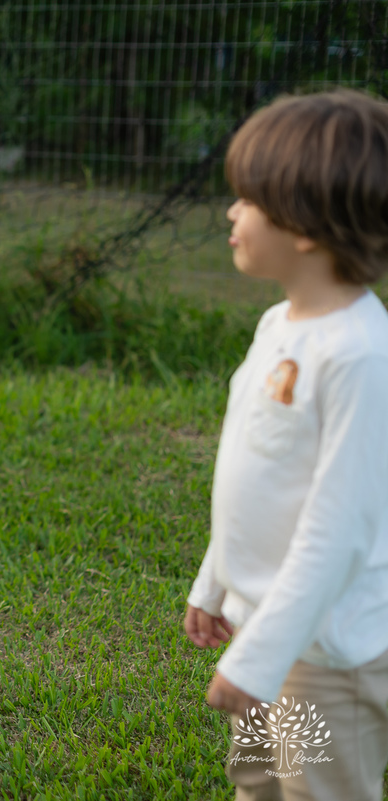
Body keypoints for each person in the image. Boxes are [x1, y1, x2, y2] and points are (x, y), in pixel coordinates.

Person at [184, 89, 388, 800]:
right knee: (258, 779)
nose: (231, 213)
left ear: (305, 226)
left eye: (248, 200)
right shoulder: (280, 324)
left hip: (318, 654)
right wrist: (218, 583)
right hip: (266, 626)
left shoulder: (358, 357)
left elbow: (338, 530)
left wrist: (263, 656)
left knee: (313, 791)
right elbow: (256, 470)